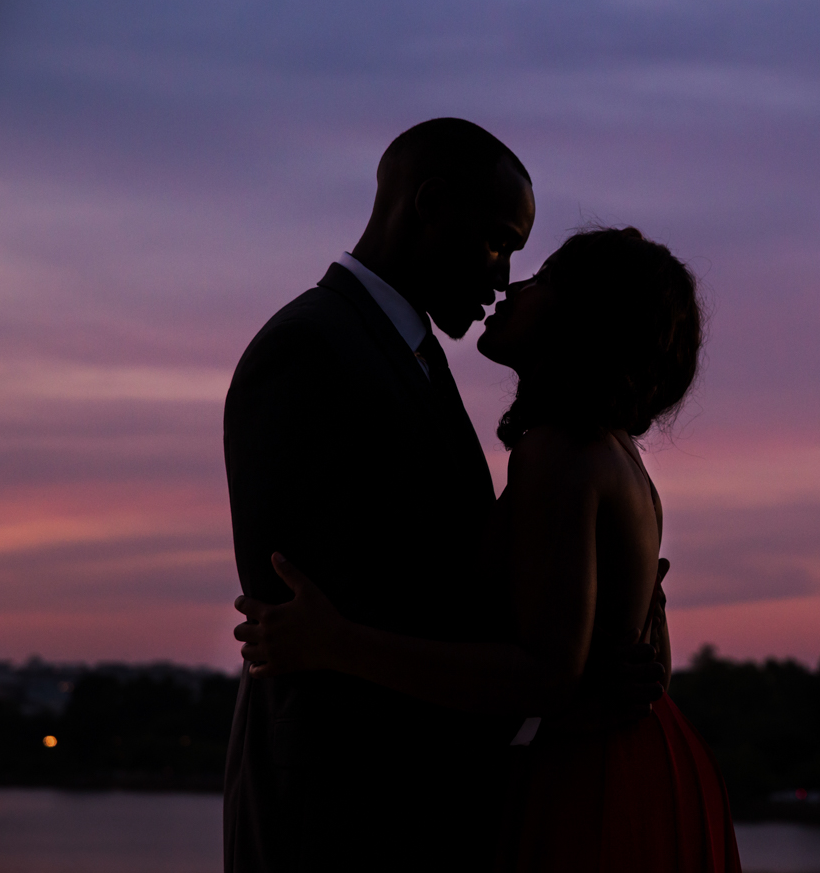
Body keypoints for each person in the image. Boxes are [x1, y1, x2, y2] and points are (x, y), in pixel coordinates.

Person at [222, 120, 663, 873]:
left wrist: (624, 634)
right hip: (339, 814)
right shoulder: (309, 349)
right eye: (497, 242)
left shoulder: (406, 355)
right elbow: (287, 615)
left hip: (424, 810)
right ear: (428, 204)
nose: (502, 277)